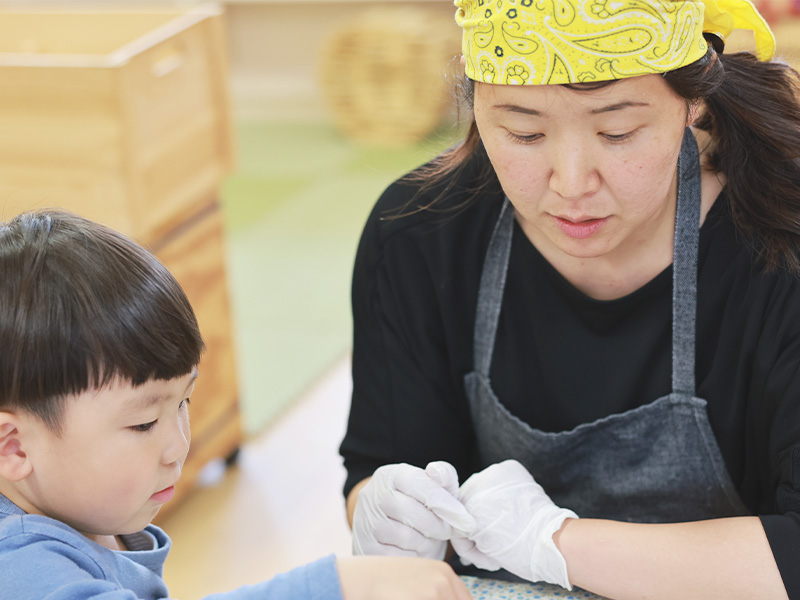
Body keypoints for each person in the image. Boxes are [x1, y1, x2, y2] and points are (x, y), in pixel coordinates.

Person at [340, 0, 800, 598]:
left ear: (694, 102)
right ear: (476, 107)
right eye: (524, 133)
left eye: (617, 132)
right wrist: (389, 518)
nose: (572, 182)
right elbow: (380, 466)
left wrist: (553, 542)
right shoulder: (419, 234)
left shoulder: (780, 246)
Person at [0, 209, 472, 600]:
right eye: (144, 423)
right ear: (15, 448)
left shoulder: (85, 514)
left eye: (183, 402)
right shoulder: (17, 565)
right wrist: (339, 585)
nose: (178, 446)